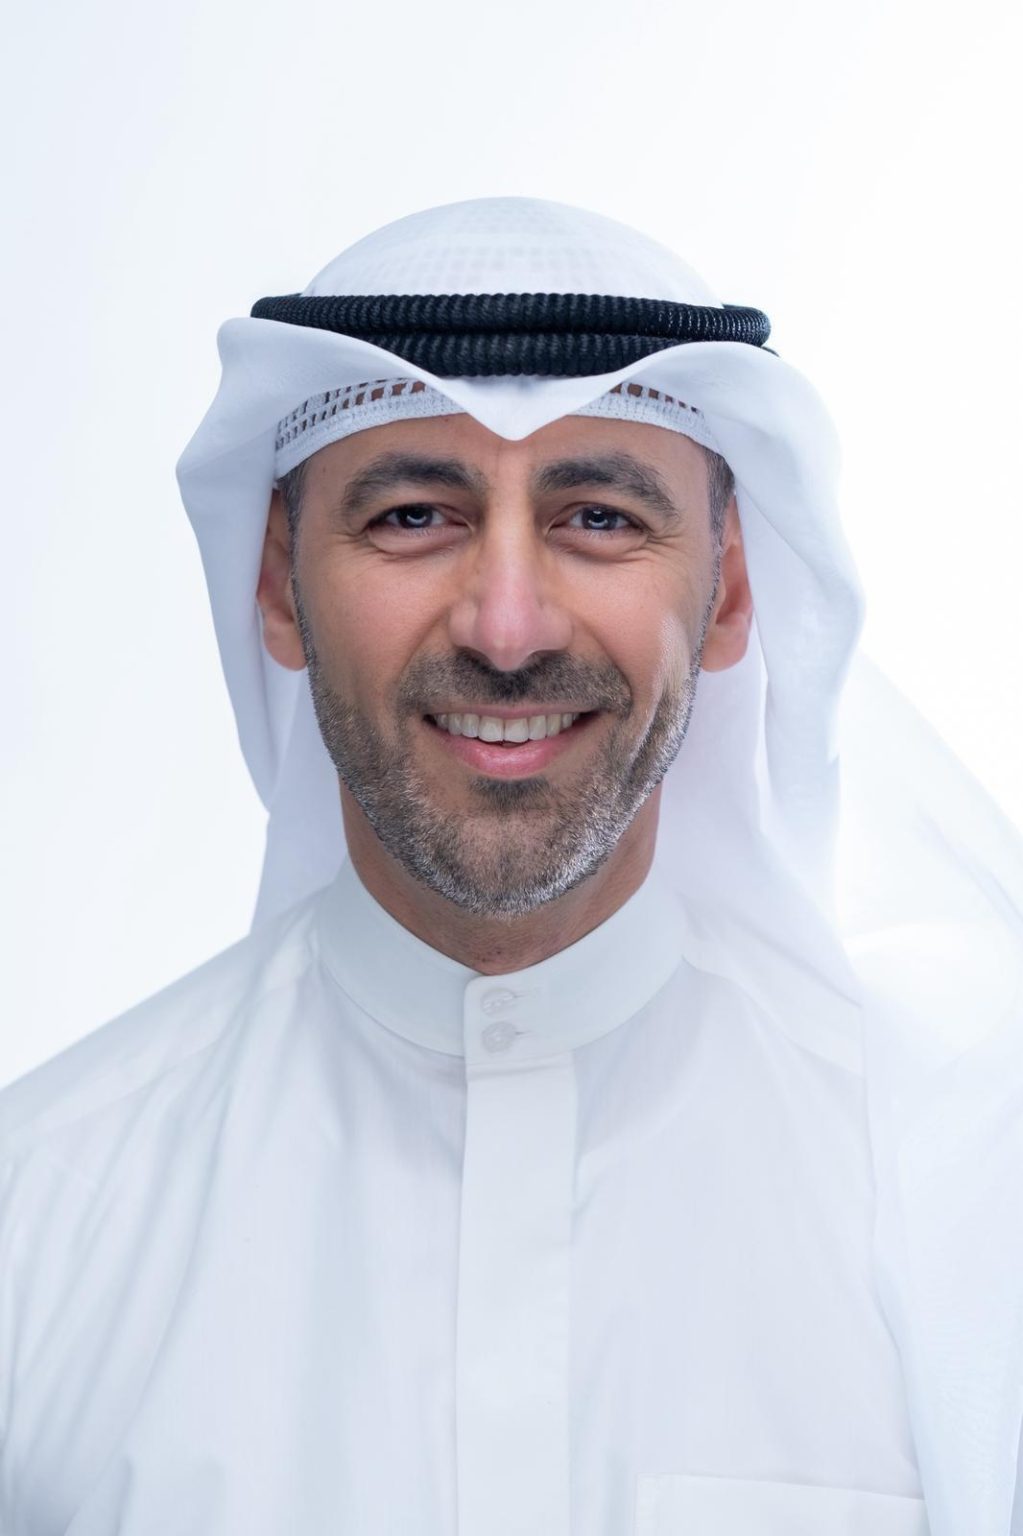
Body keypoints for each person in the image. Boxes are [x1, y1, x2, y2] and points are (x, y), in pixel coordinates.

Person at [1, 197, 1020, 1536]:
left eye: (598, 516)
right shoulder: (37, 1229)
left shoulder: (961, 1221)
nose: (507, 626)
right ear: (277, 583)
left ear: (727, 592)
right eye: (414, 514)